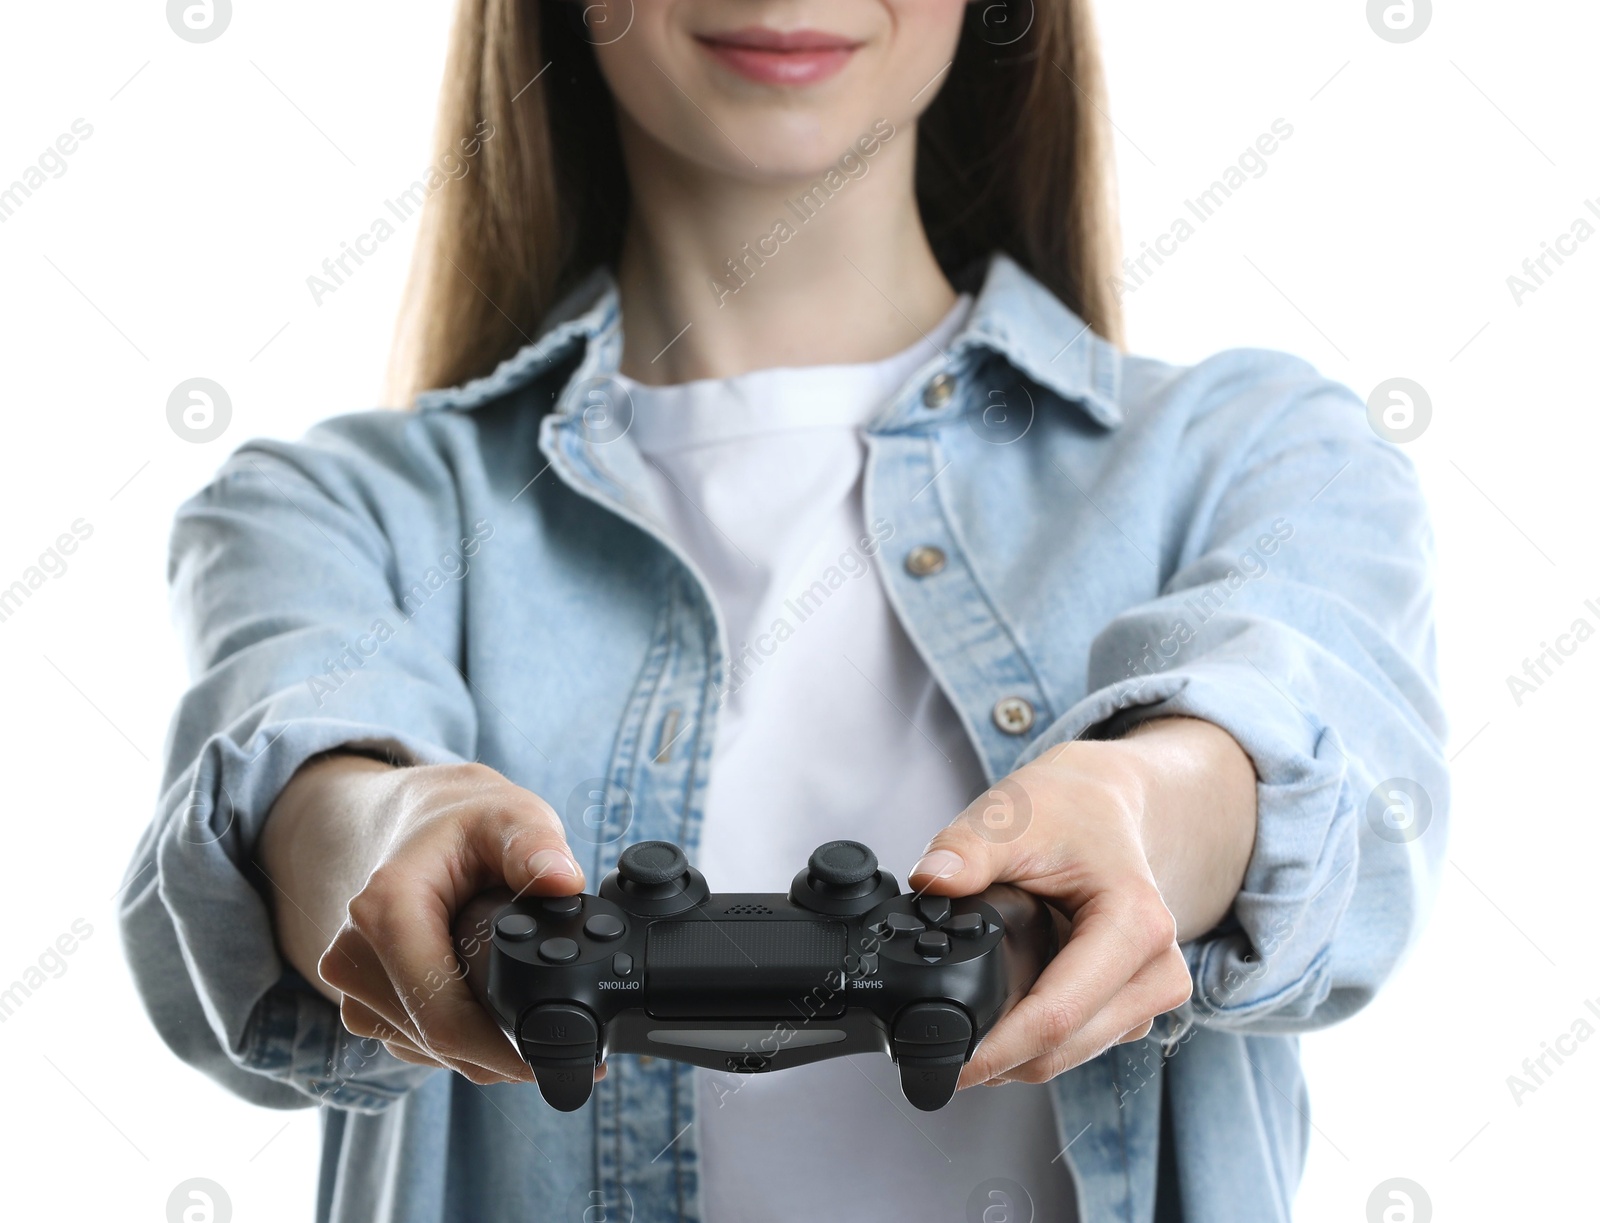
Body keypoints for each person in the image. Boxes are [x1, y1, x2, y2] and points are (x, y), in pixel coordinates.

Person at [120, 1, 1448, 1220]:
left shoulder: (1261, 452)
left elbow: (1324, 754)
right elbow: (283, 776)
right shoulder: (332, 507)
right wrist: (373, 831)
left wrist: (1157, 812)